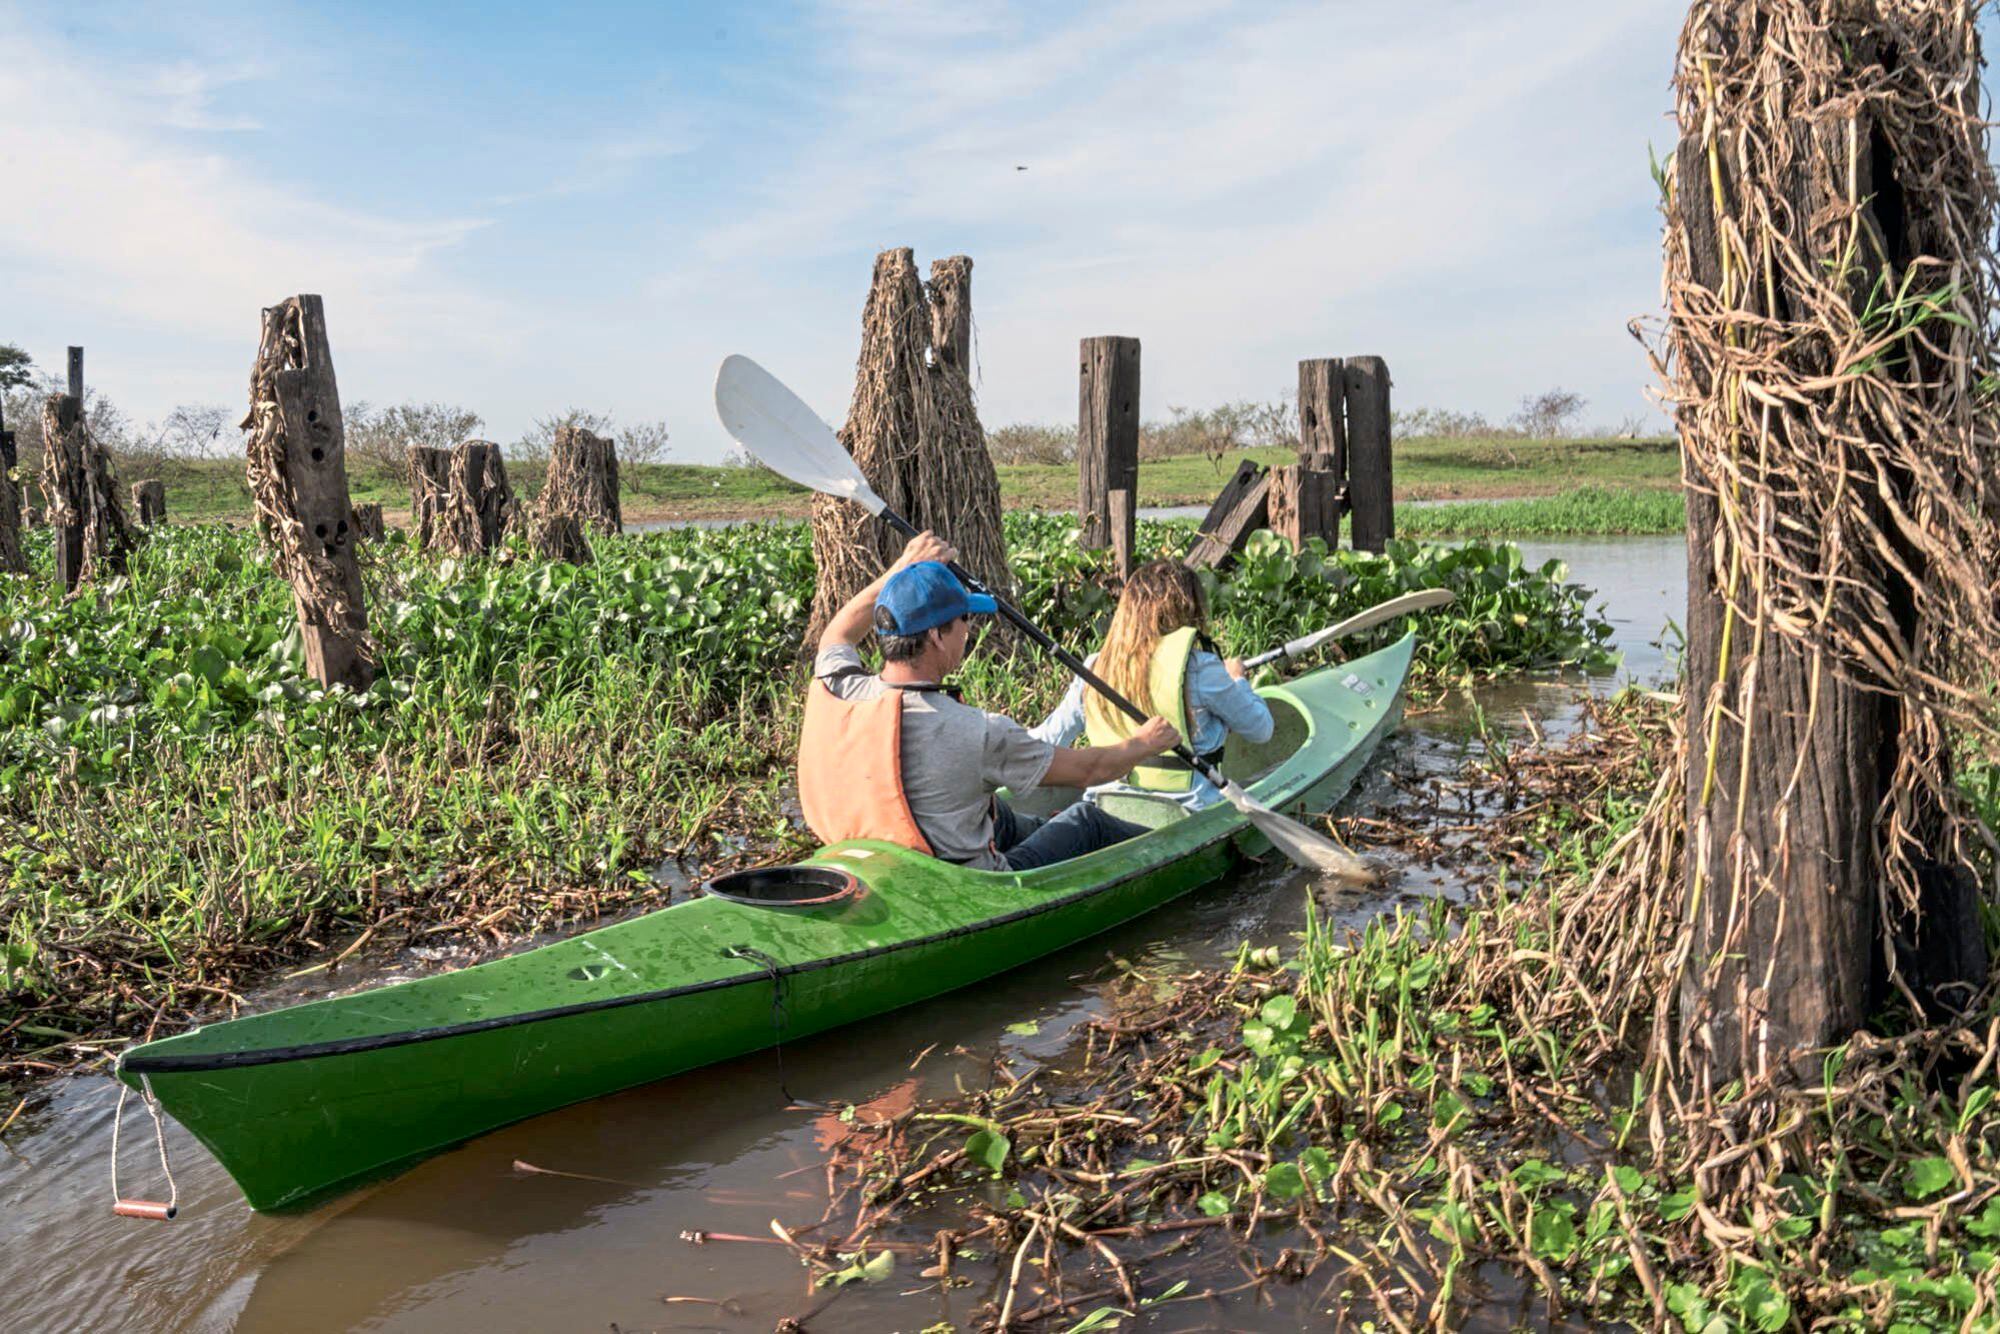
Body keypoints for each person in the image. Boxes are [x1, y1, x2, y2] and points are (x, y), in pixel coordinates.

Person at [800, 531, 1181, 871]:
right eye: (965, 619)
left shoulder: (840, 685)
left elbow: (839, 631)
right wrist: (1147, 742)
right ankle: (1180, 853)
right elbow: (1089, 770)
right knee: (1087, 820)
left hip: (896, 847)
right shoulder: (976, 731)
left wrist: (902, 568)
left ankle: (1048, 827)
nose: (968, 632)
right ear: (936, 636)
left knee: (1006, 819)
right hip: (969, 879)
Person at [1031, 559, 1273, 810]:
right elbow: (1261, 729)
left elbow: (1048, 738)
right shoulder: (1202, 668)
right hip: (1185, 810)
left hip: (1106, 805)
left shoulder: (1094, 667)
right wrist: (1238, 679)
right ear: (1189, 609)